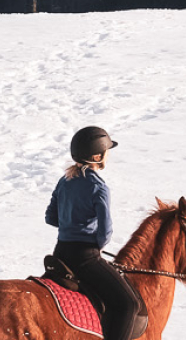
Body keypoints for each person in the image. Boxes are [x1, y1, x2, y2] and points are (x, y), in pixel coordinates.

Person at [45, 126, 142, 340]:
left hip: (59, 253)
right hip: (84, 257)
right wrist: (93, 248)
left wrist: (70, 225)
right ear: (97, 156)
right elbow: (105, 232)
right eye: (107, 151)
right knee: (128, 304)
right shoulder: (98, 187)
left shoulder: (64, 181)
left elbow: (50, 218)